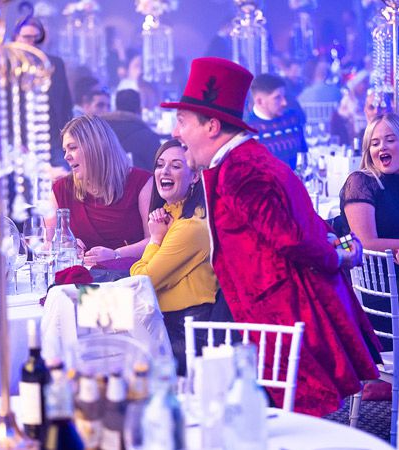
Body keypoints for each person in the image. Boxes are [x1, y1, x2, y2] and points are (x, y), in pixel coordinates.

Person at [162, 56, 381, 417]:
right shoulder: (247, 159)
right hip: (266, 313)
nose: (176, 132)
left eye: (183, 121)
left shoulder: (239, 170)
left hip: (274, 316)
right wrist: (334, 244)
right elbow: (301, 220)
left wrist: (336, 255)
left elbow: (290, 238)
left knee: (275, 420)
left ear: (212, 126)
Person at [339, 112, 399, 350]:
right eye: (375, 143)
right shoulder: (361, 182)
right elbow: (365, 242)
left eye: (390, 140)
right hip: (379, 285)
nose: (382, 147)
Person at [130, 139, 218, 374]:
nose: (165, 171)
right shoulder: (169, 216)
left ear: (195, 176)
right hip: (170, 326)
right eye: (160, 165)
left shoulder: (191, 226)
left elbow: (142, 281)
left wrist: (154, 239)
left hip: (186, 335)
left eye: (176, 166)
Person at [47, 115, 152, 260]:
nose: (66, 156)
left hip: (130, 272)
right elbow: (46, 244)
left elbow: (154, 241)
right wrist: (65, 247)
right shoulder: (61, 189)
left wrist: (115, 255)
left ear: (96, 147)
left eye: (72, 148)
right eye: (65, 150)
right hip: (79, 274)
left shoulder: (142, 182)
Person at [13, 12, 73, 170]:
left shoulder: (55, 64)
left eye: (36, 37)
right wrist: (16, 140)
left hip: (53, 138)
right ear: (16, 38)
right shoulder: (8, 66)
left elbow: (66, 102)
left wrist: (67, 136)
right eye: (27, 37)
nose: (32, 42)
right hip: (22, 141)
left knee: (63, 178)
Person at [247, 73, 308, 170]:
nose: (284, 103)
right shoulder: (247, 130)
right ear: (259, 101)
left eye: (284, 96)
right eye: (277, 98)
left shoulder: (292, 118)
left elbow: (304, 153)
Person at [101, 89, 161, 171]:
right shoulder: (149, 137)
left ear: (116, 107)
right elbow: (157, 171)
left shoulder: (100, 131)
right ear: (139, 110)